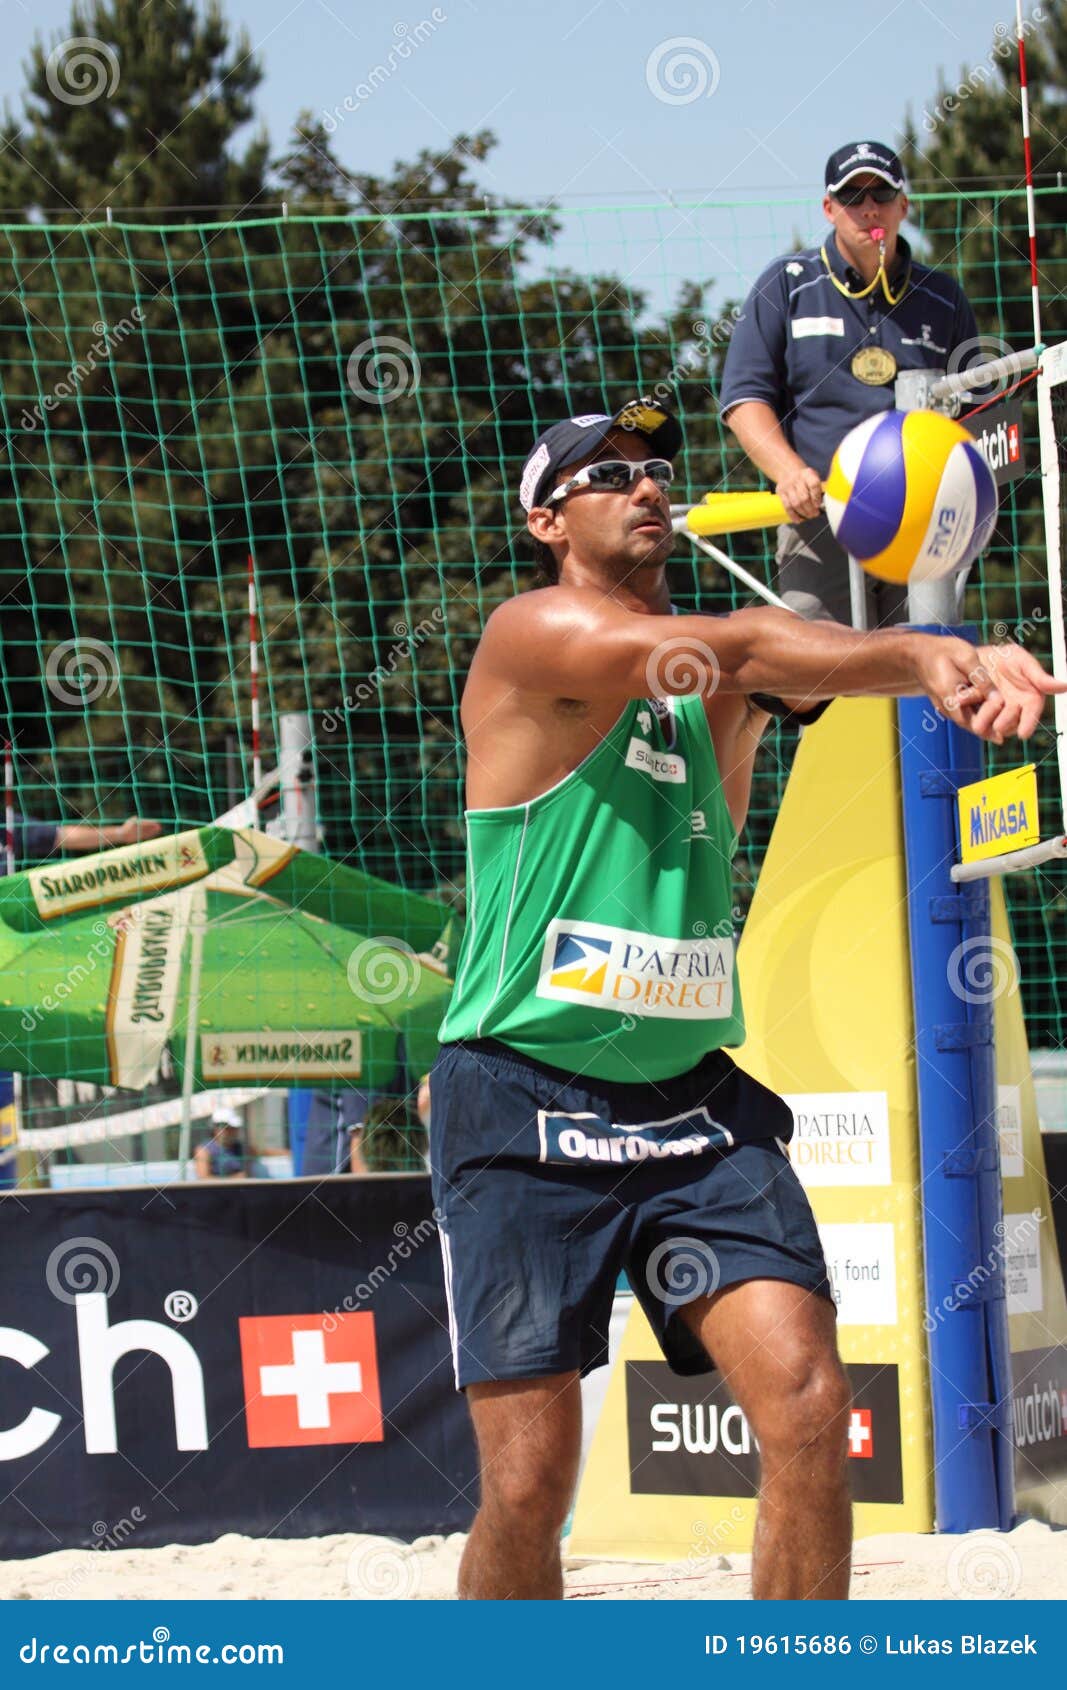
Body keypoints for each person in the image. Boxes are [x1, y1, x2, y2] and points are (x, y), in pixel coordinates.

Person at [427, 398, 1063, 1603]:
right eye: (606, 473)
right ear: (544, 520)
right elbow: (750, 650)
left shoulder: (711, 675)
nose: (645, 484)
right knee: (528, 1482)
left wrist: (966, 654)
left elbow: (775, 649)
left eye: (656, 468)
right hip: (520, 1095)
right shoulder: (532, 636)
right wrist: (922, 655)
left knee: (811, 1407)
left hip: (691, 1107)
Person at [719, 141, 982, 627]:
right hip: (819, 518)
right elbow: (743, 398)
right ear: (829, 208)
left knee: (924, 659)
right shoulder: (787, 284)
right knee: (824, 665)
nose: (868, 208)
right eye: (851, 196)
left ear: (904, 206)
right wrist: (790, 473)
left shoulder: (943, 297)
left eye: (881, 194)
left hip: (922, 518)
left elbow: (977, 409)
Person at [194, 1106, 254, 1179]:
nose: (230, 1131)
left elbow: (248, 1173)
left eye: (233, 1128)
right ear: (215, 1128)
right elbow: (203, 1178)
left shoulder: (244, 1148)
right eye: (225, 1127)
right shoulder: (203, 1150)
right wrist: (234, 1179)